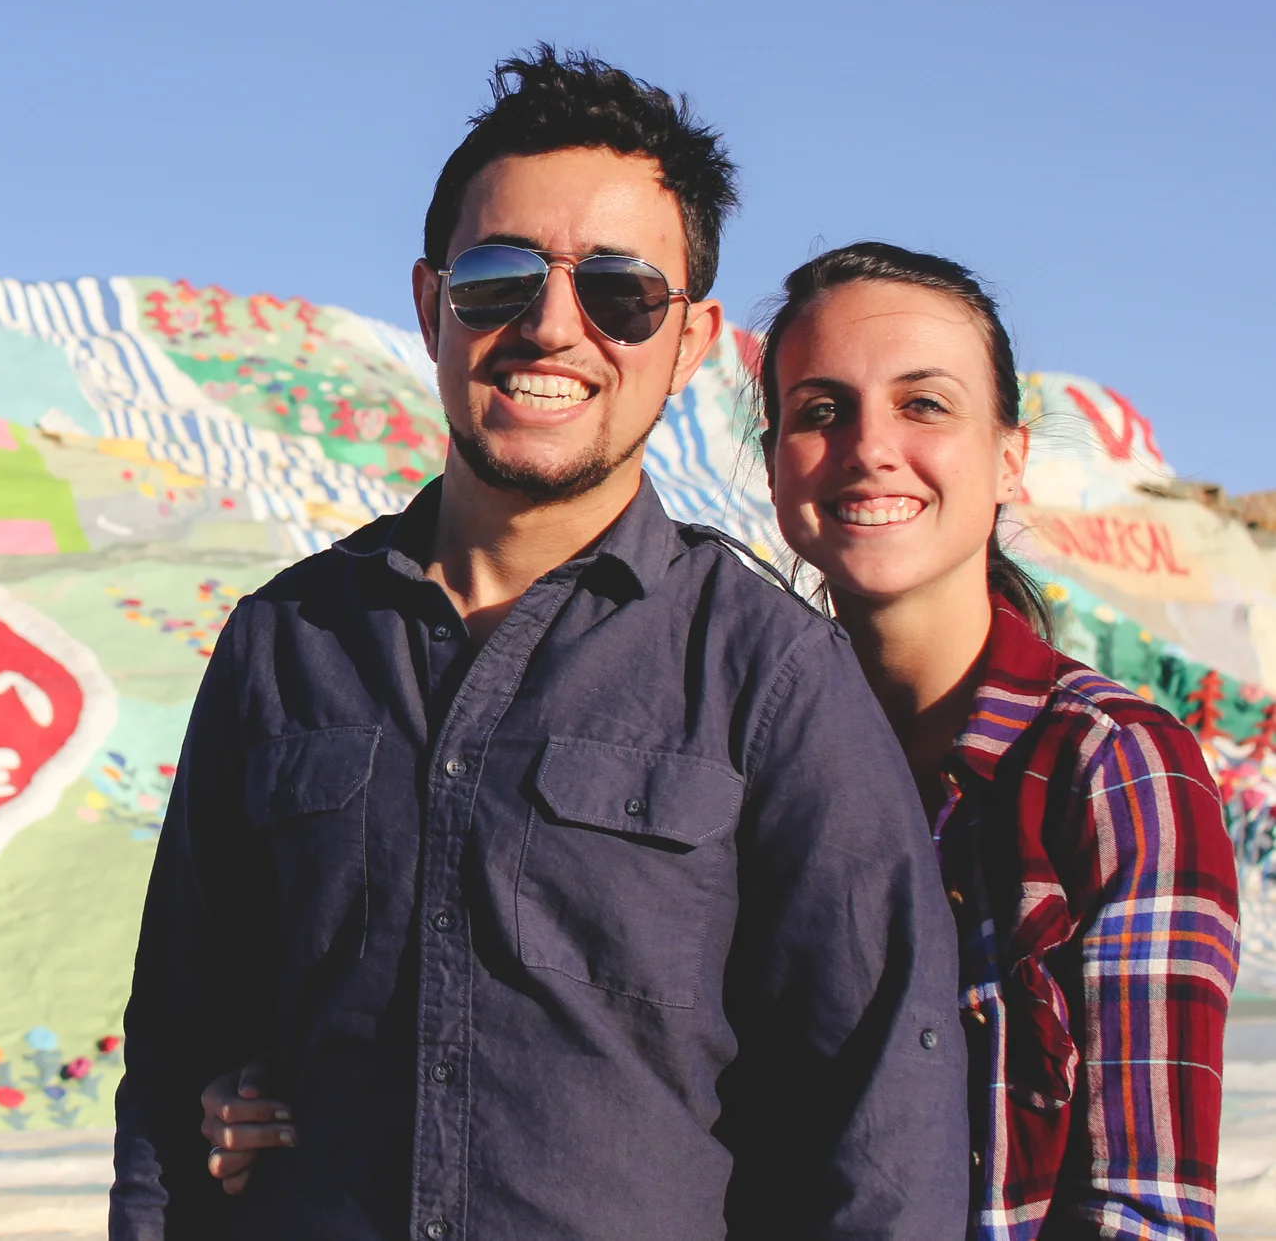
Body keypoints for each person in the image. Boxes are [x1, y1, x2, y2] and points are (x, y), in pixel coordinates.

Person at [196, 241, 1242, 1237]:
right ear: (775, 462)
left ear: (1010, 455)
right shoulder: (720, 739)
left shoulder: (1108, 767)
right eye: (819, 410)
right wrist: (277, 1087)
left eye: (924, 403)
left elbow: (1141, 1205)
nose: (870, 446)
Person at [110, 46, 967, 1241]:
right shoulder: (281, 644)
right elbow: (175, 1058)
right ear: (430, 306)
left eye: (619, 291)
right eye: (500, 276)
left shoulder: (768, 677)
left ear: (687, 339)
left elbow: (881, 1114)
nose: (551, 326)